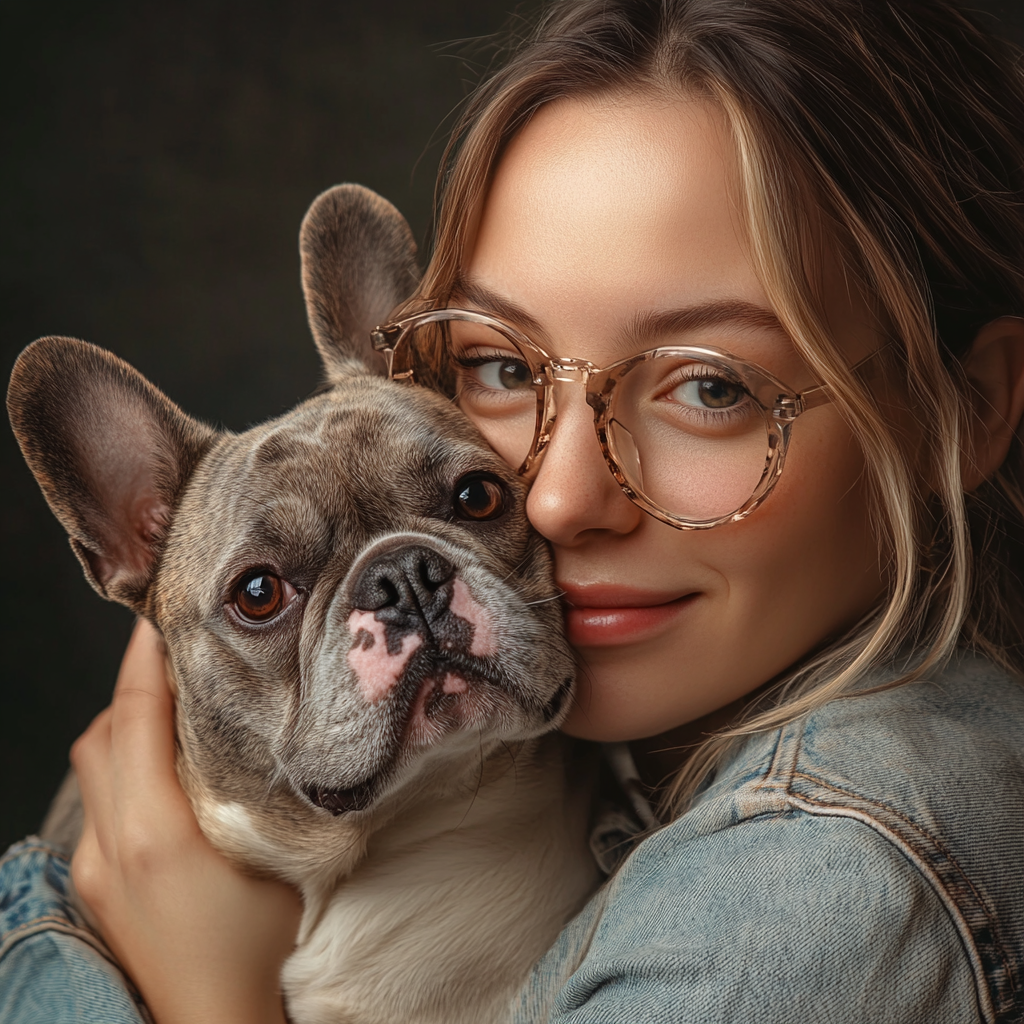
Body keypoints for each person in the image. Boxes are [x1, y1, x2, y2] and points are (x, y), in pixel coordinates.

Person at [3, 0, 1024, 1020]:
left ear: (971, 404)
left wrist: (208, 1002)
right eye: (500, 364)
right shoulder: (653, 749)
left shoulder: (810, 891)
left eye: (713, 385)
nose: (558, 495)